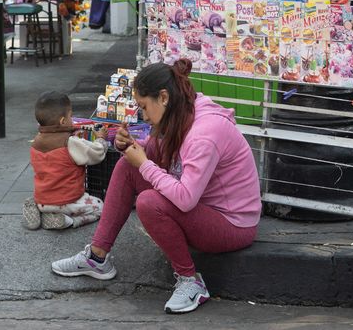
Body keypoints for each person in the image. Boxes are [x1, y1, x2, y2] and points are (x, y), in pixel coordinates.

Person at [51, 60, 261, 314]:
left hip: (233, 224)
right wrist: (133, 147)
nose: (144, 116)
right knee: (127, 165)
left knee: (150, 202)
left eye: (143, 107)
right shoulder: (184, 111)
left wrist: (145, 164)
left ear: (163, 97)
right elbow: (169, 156)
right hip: (204, 207)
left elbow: (185, 198)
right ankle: (97, 258)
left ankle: (190, 282)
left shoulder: (205, 132)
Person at [22, 91, 108, 231]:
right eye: (70, 116)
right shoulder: (70, 142)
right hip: (68, 201)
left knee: (47, 202)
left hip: (43, 199)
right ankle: (70, 221)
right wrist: (101, 139)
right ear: (63, 121)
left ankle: (37, 208)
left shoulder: (36, 142)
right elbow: (96, 154)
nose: (72, 119)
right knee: (100, 207)